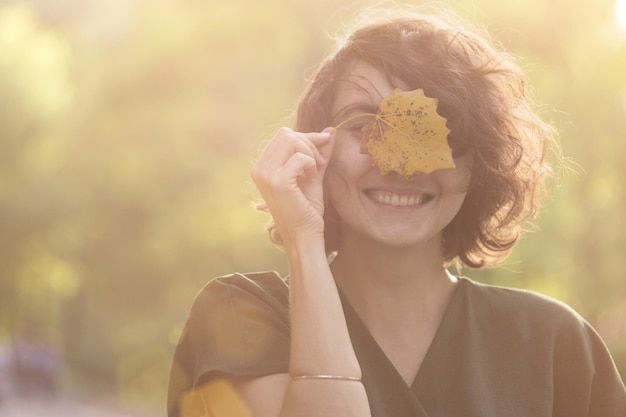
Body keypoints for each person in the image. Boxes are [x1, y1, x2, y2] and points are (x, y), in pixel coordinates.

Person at [168, 5, 626, 417]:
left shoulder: (554, 343)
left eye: (435, 130)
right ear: (318, 145)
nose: (400, 164)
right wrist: (303, 242)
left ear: (480, 160)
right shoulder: (240, 319)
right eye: (365, 124)